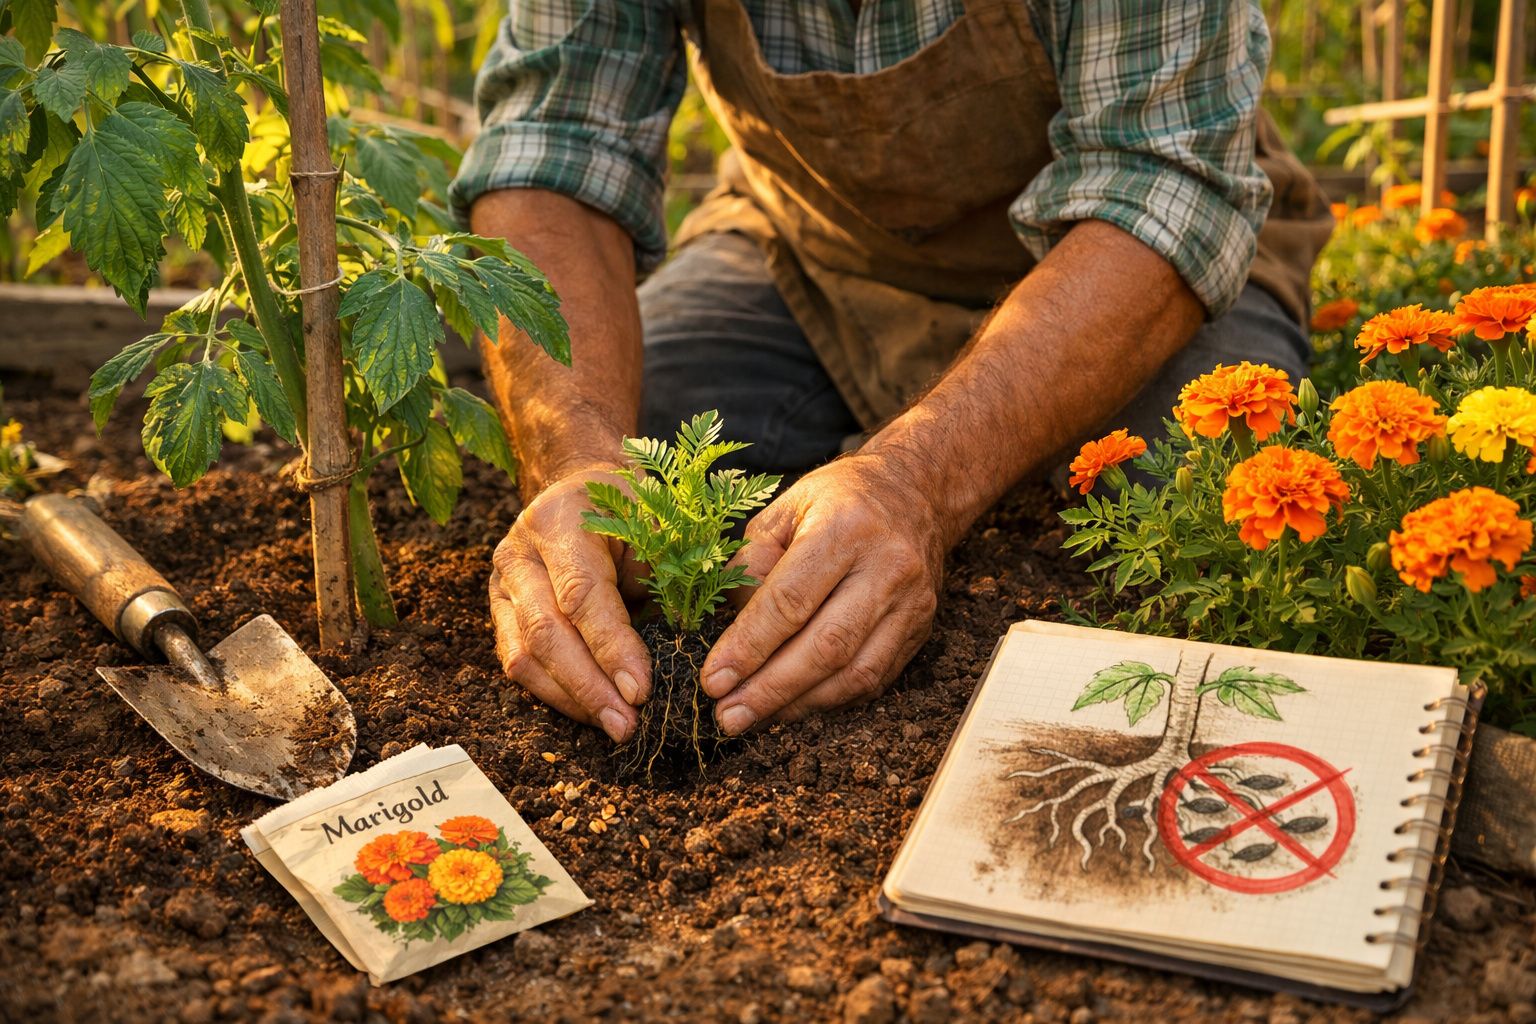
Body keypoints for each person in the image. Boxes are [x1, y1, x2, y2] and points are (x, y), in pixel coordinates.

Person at [450, 1, 1333, 745]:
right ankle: (851, 495)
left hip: (1115, 256)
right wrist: (577, 459)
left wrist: (916, 478)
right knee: (639, 452)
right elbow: (551, 144)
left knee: (1192, 503)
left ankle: (873, 483)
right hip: (806, 240)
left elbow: (1158, 182)